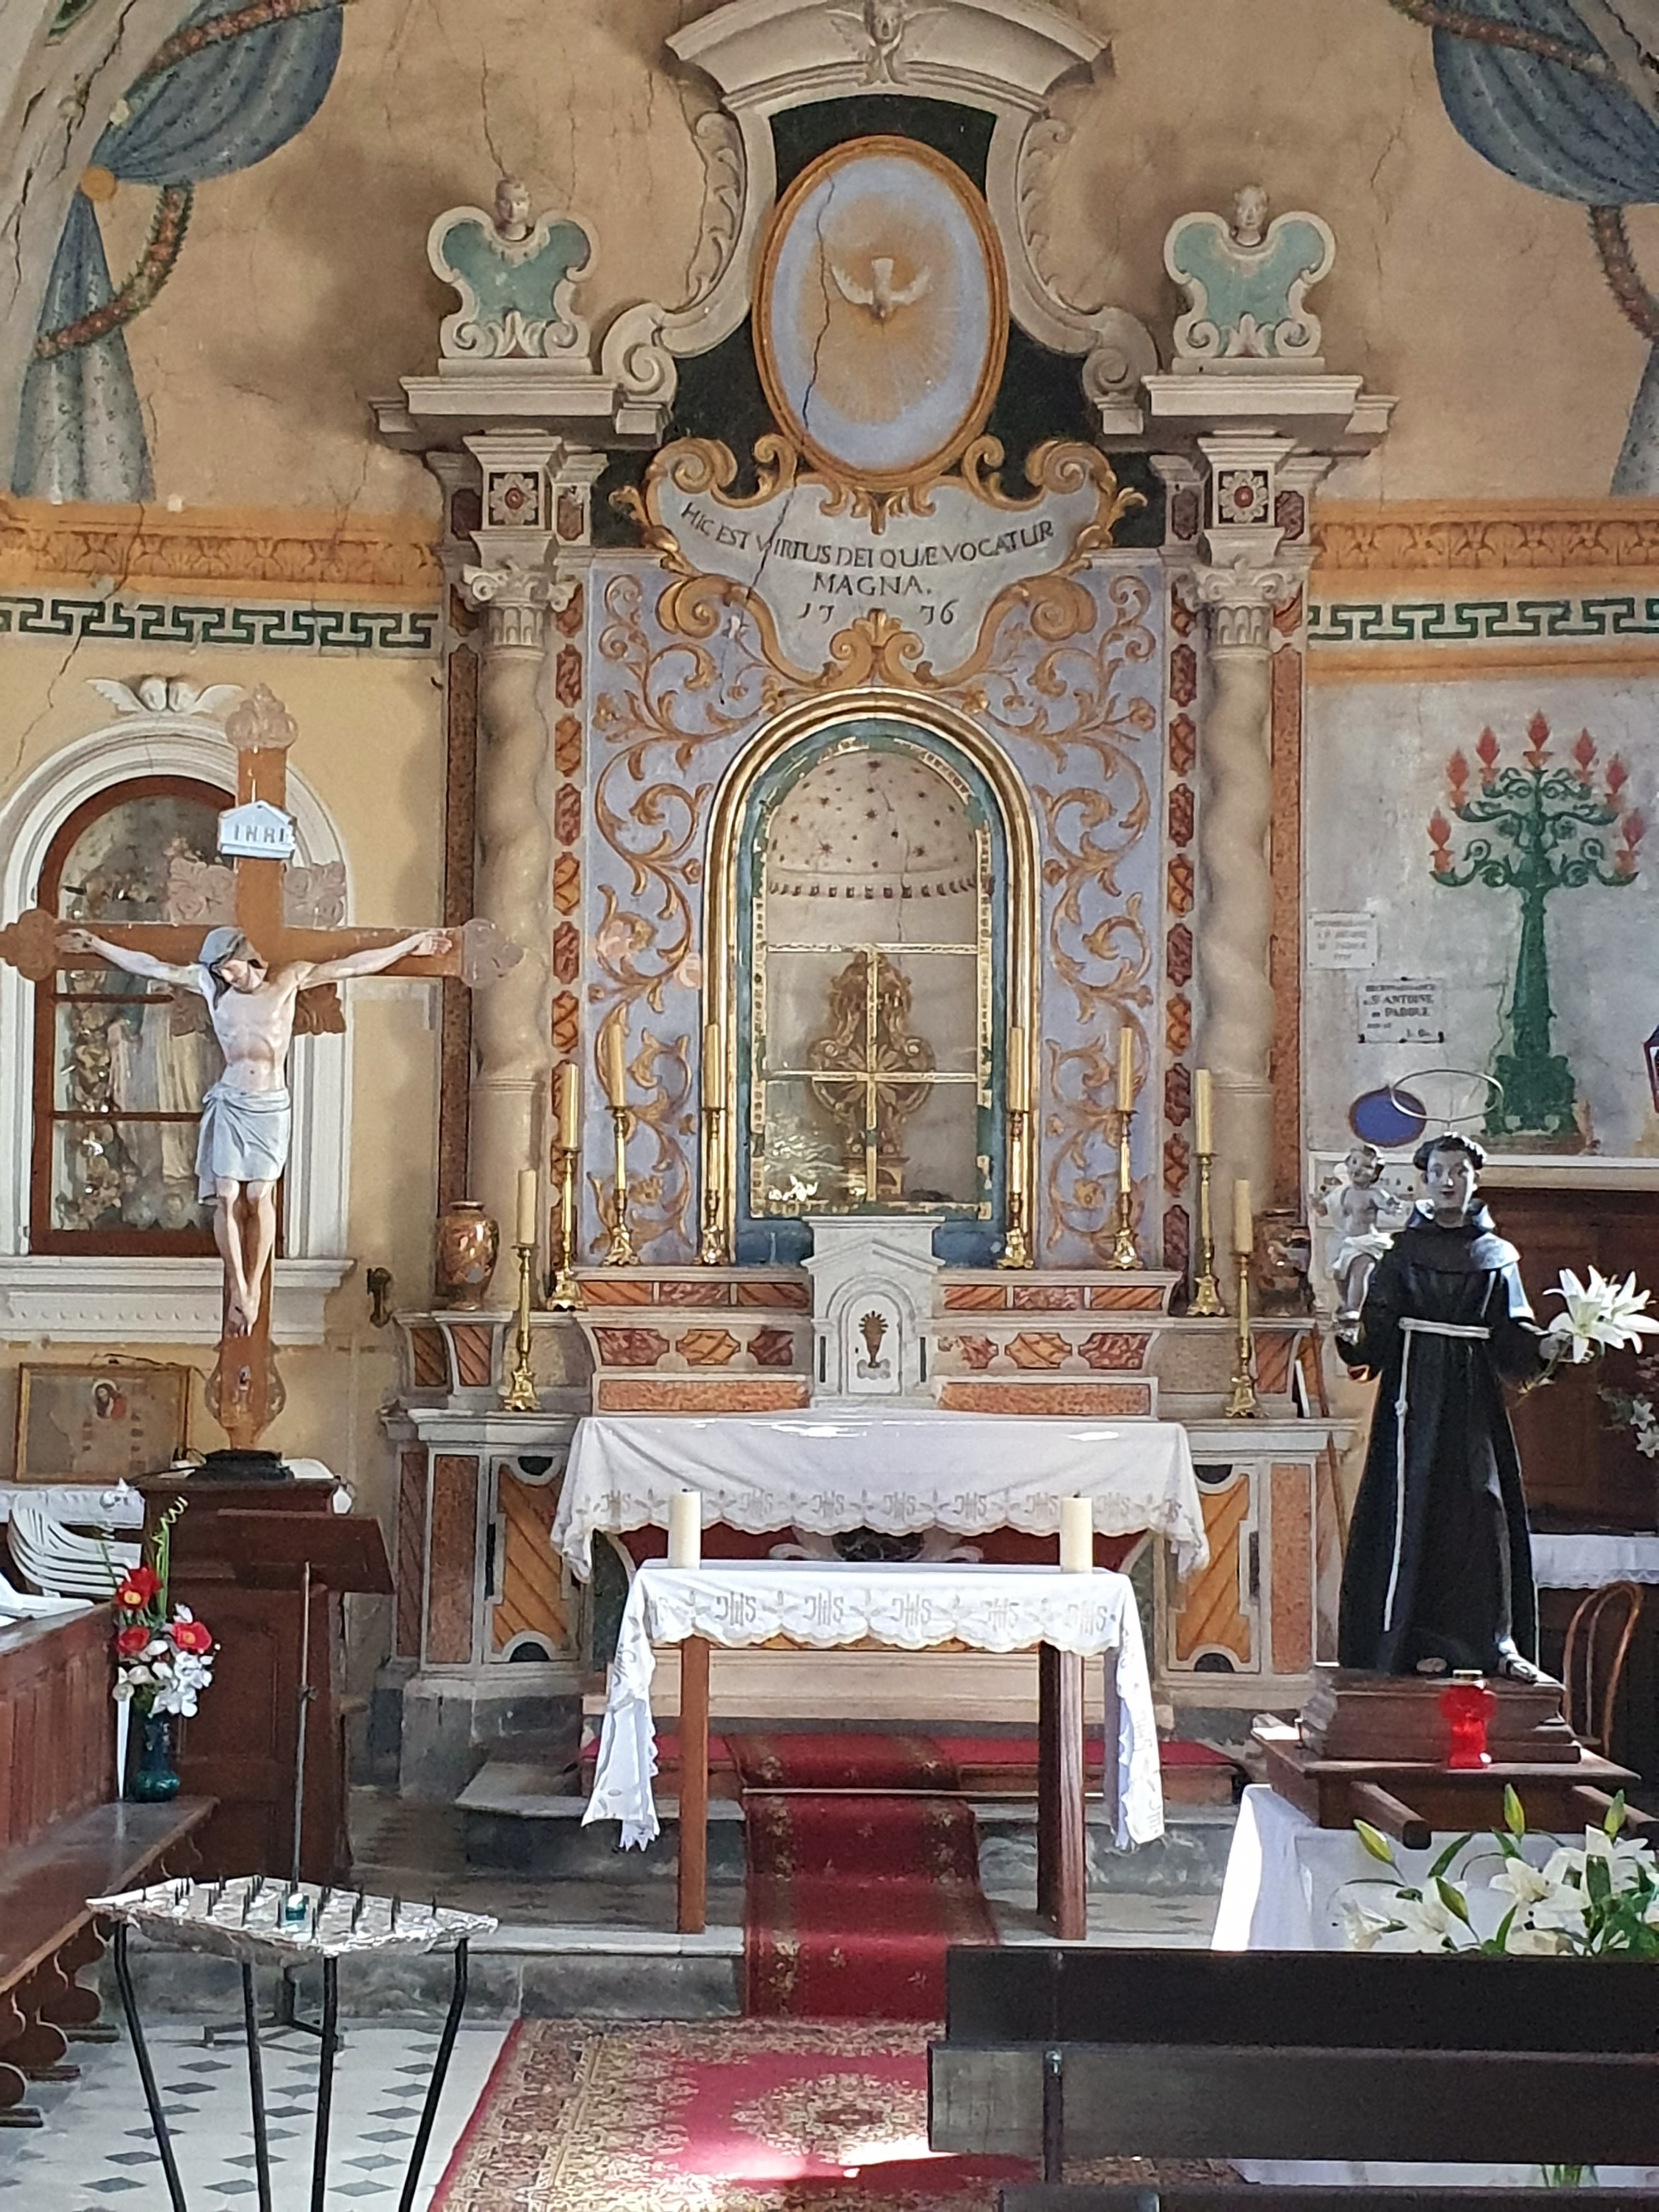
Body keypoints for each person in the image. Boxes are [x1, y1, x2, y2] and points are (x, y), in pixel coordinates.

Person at [60, 922, 449, 1334]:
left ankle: (256, 1285)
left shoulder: (288, 982)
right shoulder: (212, 988)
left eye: (228, 967)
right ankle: (240, 1288)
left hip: (268, 1105)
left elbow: (353, 966)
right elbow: (152, 967)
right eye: (219, 971)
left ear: (244, 956)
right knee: (227, 1195)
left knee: (259, 1195)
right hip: (231, 1100)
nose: (225, 977)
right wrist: (97, 944)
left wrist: (410, 944)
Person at [1335, 1132, 1549, 1681]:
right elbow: (1377, 1325)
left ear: (1475, 1179)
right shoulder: (1403, 1253)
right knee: (1417, 1510)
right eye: (1438, 1172)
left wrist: (1550, 1346)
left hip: (1474, 1400)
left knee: (1483, 1508)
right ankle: (1414, 1641)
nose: (1448, 1181)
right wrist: (1354, 1340)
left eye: (1459, 1171)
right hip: (1416, 1396)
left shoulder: (1498, 1257)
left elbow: (1514, 1333)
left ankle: (1493, 1643)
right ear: (1425, 1180)